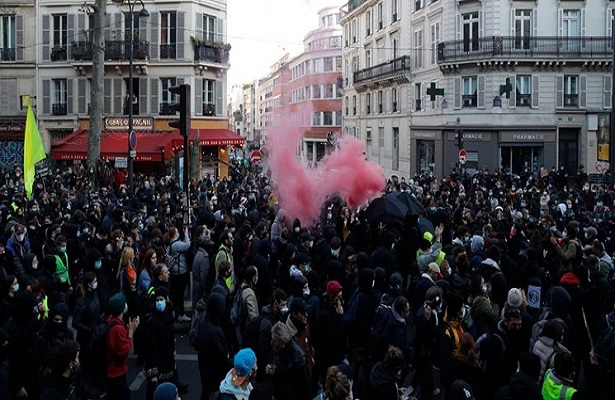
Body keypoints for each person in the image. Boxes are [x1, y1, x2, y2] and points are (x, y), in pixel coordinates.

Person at [195, 291, 232, 400]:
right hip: (215, 380)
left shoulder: (206, 323)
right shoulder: (214, 331)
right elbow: (221, 357)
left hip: (207, 378)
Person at [142, 287, 176, 400]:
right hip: (157, 366)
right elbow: (149, 348)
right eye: (157, 300)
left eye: (161, 299)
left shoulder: (169, 316)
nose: (159, 302)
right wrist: (152, 374)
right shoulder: (151, 321)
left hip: (168, 364)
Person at [105, 292, 140, 400]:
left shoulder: (112, 321)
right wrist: (130, 333)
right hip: (116, 373)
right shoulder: (117, 329)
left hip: (111, 372)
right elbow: (123, 351)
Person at [267, 321, 311, 400]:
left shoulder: (299, 360)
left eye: (274, 340)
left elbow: (304, 389)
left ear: (282, 342)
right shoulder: (276, 349)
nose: (271, 342)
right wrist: (272, 370)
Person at [166, 225, 192, 322]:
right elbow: (187, 246)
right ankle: (180, 313)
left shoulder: (172, 243)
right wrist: (186, 235)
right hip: (180, 271)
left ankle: (175, 311)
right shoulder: (176, 244)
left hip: (175, 271)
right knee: (179, 294)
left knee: (175, 293)